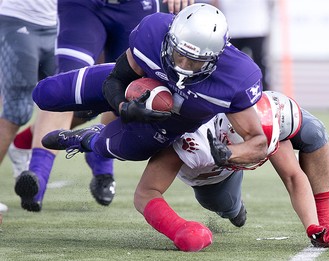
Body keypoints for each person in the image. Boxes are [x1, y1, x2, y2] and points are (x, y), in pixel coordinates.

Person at [35, 3, 268, 216]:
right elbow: (116, 80)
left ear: (215, 58)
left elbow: (258, 141)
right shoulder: (154, 30)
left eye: (195, 61)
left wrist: (230, 154)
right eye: (180, 54)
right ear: (171, 38)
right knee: (46, 94)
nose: (183, 66)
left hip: (170, 121)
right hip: (135, 86)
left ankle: (84, 140)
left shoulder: (237, 78)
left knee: (120, 148)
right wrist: (123, 107)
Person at [13, 0, 194, 212]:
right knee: (66, 88)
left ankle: (101, 163)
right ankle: (37, 177)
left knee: (130, 86)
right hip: (83, 5)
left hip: (135, 6)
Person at [133, 91, 329, 251]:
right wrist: (178, 228)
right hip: (211, 175)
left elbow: (293, 176)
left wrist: (314, 227)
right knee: (226, 205)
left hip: (232, 143)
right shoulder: (194, 140)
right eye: (255, 148)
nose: (260, 155)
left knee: (313, 132)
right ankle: (235, 210)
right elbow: (146, 192)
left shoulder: (270, 120)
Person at [0, 0, 57, 209]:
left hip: (57, 24)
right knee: (17, 110)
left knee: (72, 101)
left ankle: (21, 147)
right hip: (17, 20)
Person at [209, 0, 273, 90]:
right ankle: (228, 92)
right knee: (228, 65)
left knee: (258, 63)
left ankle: (263, 93)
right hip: (236, 26)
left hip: (255, 25)